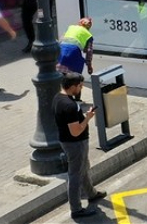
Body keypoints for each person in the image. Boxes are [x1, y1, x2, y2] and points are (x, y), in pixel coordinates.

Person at [52, 72, 106, 219]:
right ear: (73, 87)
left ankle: (92, 194)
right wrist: (87, 118)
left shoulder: (58, 97)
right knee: (75, 175)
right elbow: (75, 131)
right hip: (75, 143)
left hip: (70, 142)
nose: (81, 88)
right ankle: (76, 209)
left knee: (83, 168)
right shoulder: (69, 105)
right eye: (80, 86)